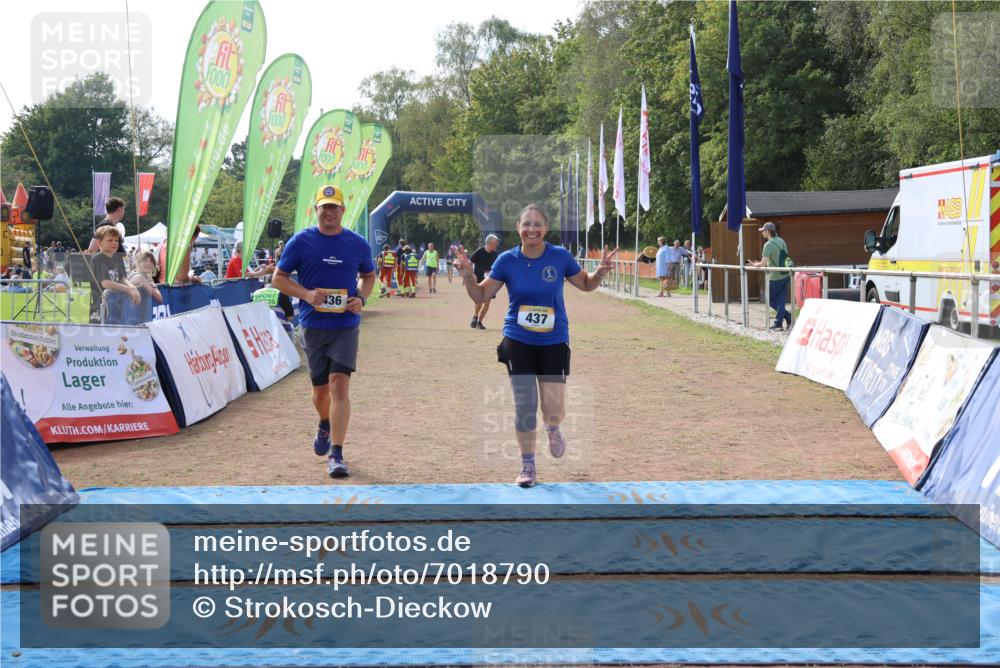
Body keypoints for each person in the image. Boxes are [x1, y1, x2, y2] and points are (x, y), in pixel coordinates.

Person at [454, 204, 618, 488]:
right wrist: (468, 275)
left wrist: (600, 272)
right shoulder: (507, 260)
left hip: (554, 340)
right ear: (518, 228)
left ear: (546, 228)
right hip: (518, 339)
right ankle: (528, 465)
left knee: (553, 409)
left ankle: (553, 427)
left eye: (537, 224)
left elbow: (586, 284)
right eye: (526, 224)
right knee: (525, 406)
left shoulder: (560, 256)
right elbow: (481, 293)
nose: (531, 229)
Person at [271, 185, 376, 479]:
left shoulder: (357, 244)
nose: (329, 212)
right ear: (315, 210)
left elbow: (369, 276)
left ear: (343, 210)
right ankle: (324, 422)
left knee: (339, 385)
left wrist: (362, 298)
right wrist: (306, 295)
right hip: (313, 326)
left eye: (334, 207)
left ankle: (338, 454)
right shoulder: (300, 242)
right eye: (324, 207)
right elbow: (278, 279)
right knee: (320, 393)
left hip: (345, 327)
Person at [89, 225, 140, 322]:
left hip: (115, 305)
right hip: (101, 308)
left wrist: (133, 287)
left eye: (116, 240)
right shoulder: (98, 259)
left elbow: (122, 279)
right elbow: (105, 283)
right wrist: (128, 289)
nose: (114, 243)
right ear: (99, 243)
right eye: (110, 240)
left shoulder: (115, 258)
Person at [747, 221, 792, 330]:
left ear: (767, 231)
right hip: (786, 275)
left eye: (763, 231)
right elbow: (781, 258)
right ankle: (779, 322)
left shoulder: (768, 245)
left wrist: (754, 264)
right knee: (780, 300)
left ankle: (786, 317)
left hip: (775, 278)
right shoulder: (782, 241)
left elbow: (762, 264)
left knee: (769, 298)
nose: (762, 233)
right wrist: (763, 263)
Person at [469, 234, 500, 329]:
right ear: (490, 243)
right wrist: (472, 274)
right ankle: (475, 316)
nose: (497, 245)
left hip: (491, 282)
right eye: (495, 243)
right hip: (479, 281)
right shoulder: (479, 252)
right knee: (479, 301)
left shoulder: (496, 254)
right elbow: (470, 262)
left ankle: (479, 322)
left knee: (487, 302)